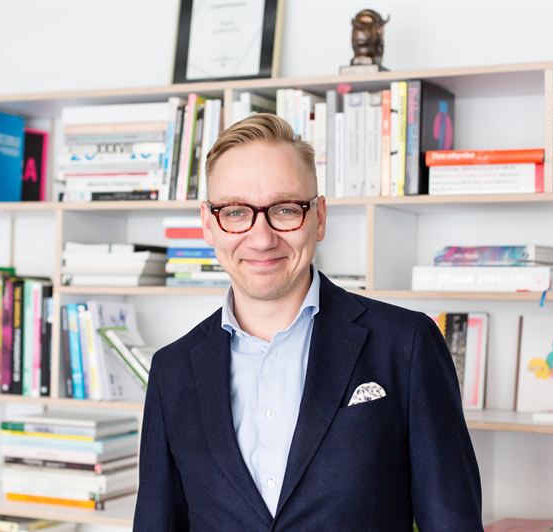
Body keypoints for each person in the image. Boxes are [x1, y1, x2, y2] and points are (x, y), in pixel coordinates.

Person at [133, 114, 482, 531]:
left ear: (320, 217)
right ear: (209, 224)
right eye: (236, 212)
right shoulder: (172, 370)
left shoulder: (406, 344)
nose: (262, 238)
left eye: (285, 209)